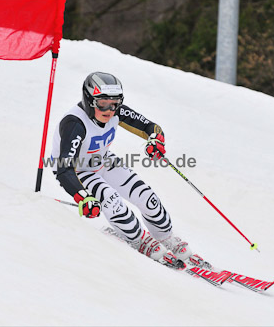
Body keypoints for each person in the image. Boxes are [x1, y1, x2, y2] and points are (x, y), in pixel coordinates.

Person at [51, 72, 197, 263]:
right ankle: (139, 239)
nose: (109, 109)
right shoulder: (75, 124)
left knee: (147, 197)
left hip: (104, 160)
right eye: (102, 102)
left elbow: (150, 127)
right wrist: (83, 197)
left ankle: (166, 238)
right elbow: (64, 168)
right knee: (112, 201)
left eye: (115, 103)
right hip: (78, 171)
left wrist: (155, 140)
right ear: (89, 100)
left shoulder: (116, 111)